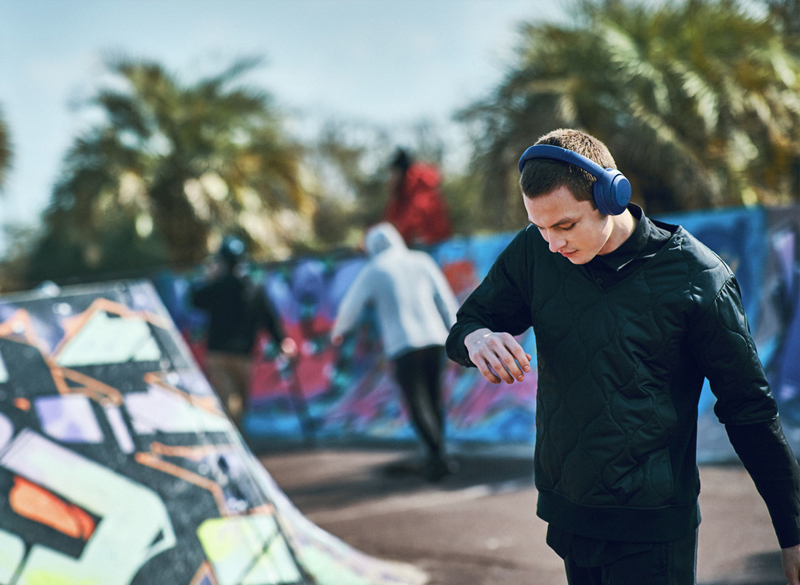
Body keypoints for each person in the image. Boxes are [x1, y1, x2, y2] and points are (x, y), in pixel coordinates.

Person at [445, 128, 800, 584]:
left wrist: (792, 531)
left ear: (611, 197)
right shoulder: (536, 252)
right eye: (540, 227)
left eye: (565, 226)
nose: (553, 243)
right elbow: (467, 324)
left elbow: (749, 410)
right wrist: (476, 339)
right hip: (569, 516)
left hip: (651, 530)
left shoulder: (697, 277)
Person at [331, 222, 460, 480]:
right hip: (435, 339)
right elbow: (445, 299)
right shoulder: (421, 260)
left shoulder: (374, 269)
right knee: (434, 398)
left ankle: (436, 457)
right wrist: (458, 332)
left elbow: (351, 305)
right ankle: (439, 453)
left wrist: (339, 331)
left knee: (417, 402)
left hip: (402, 345)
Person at [192, 235, 297, 429]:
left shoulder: (220, 287)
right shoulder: (252, 287)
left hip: (223, 354)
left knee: (234, 406)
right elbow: (269, 319)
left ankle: (235, 441)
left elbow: (195, 299)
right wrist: (281, 341)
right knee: (234, 407)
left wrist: (207, 279)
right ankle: (236, 441)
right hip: (235, 355)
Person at [383, 148, 452, 246]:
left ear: (400, 172)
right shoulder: (402, 195)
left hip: (432, 246)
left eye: (393, 174)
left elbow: (407, 227)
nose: (390, 179)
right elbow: (388, 223)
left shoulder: (420, 193)